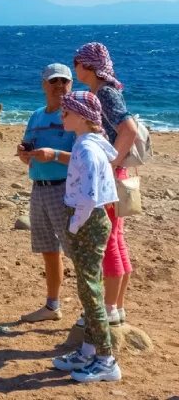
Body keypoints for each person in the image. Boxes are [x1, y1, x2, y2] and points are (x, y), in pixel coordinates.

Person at [52, 91, 122, 383]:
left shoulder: (86, 150)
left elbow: (90, 196)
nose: (61, 116)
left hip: (88, 221)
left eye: (66, 112)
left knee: (90, 290)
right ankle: (88, 350)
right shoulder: (89, 144)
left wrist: (74, 225)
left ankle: (106, 360)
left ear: (81, 116)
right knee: (88, 286)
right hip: (92, 220)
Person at [74, 42, 137, 326]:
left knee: (109, 241)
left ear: (88, 66)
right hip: (116, 175)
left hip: (110, 177)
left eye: (77, 61)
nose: (74, 66)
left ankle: (108, 308)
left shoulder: (105, 93)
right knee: (117, 240)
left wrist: (110, 165)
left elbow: (128, 129)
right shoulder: (103, 92)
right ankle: (117, 307)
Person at [18, 64, 76, 323]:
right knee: (49, 251)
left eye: (64, 81)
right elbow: (29, 152)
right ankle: (52, 306)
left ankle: (91, 313)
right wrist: (24, 153)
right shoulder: (37, 116)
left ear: (71, 85)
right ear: (43, 85)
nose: (59, 86)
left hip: (64, 189)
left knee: (77, 251)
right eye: (54, 81)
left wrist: (53, 155)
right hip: (38, 189)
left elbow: (84, 158)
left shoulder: (74, 117)